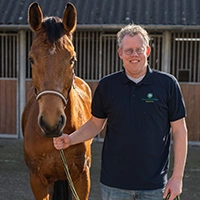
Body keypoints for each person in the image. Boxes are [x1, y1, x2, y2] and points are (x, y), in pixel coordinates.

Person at [53, 24, 188, 200]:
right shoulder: (107, 86)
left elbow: (179, 132)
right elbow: (95, 124)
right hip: (114, 186)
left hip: (155, 186)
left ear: (147, 51)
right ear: (120, 53)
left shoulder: (167, 84)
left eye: (138, 50)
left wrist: (177, 178)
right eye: (128, 50)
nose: (134, 55)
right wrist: (70, 140)